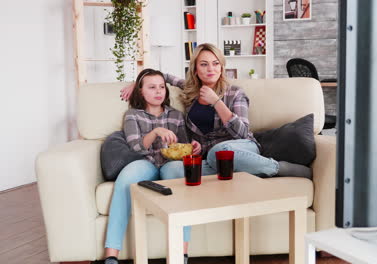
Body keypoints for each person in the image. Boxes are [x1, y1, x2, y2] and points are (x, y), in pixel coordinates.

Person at [120, 43, 310, 179]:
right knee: (173, 171)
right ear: (195, 69)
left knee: (221, 151)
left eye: (215, 63)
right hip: (209, 158)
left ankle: (277, 167)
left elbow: (243, 133)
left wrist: (217, 102)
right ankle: (242, 171)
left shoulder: (235, 93)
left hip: (238, 148)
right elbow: (164, 77)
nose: (211, 68)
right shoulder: (191, 91)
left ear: (221, 66)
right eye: (204, 64)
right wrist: (137, 83)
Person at [104, 69, 201, 264]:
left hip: (170, 163)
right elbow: (136, 147)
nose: (158, 91)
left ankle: (181, 254)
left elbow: (181, 147)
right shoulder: (133, 115)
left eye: (161, 87)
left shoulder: (176, 115)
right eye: (151, 87)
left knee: (181, 177)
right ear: (141, 92)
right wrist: (155, 132)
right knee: (125, 181)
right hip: (144, 161)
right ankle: (111, 256)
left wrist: (193, 148)